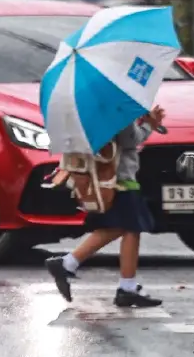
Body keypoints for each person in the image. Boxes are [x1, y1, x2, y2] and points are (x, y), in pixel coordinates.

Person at [46, 105, 166, 308]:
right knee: (130, 227)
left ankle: (71, 264)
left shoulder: (89, 106)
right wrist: (148, 125)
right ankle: (123, 287)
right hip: (119, 176)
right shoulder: (116, 104)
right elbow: (129, 139)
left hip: (107, 174)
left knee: (121, 227)